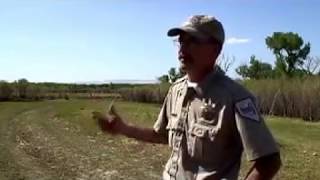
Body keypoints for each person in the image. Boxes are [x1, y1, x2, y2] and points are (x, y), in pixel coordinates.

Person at [92, 15, 281, 180]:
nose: (183, 47)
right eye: (181, 41)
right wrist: (122, 128)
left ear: (215, 50)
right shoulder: (176, 90)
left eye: (193, 41)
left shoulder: (235, 98)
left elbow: (269, 161)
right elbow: (161, 135)